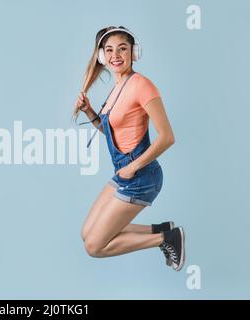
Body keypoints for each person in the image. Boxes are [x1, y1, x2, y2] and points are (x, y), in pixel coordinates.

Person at [73, 26, 185, 271]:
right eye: (109, 50)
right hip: (124, 172)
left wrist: (132, 167)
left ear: (134, 53)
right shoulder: (116, 89)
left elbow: (167, 137)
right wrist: (90, 112)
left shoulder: (142, 85)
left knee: (95, 246)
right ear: (102, 56)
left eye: (122, 49)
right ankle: (161, 229)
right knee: (86, 232)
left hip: (141, 176)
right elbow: (113, 133)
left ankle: (167, 239)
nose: (116, 55)